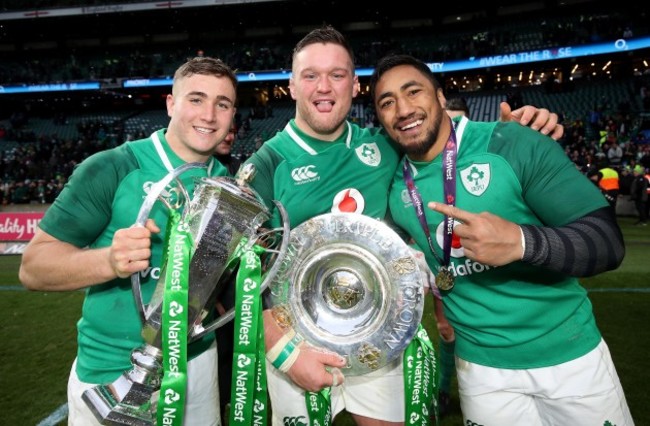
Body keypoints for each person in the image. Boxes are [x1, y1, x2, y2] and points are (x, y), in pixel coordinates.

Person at [245, 25, 566, 426]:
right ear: (291, 85)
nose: (323, 87)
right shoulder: (265, 165)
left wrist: (519, 129)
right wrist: (283, 352)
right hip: (298, 342)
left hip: (377, 339)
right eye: (310, 75)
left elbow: (444, 136)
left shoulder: (385, 147)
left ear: (355, 85)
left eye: (337, 75)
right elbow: (238, 275)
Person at [369, 53, 633, 425]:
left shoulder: (512, 142)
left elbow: (607, 242)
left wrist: (521, 242)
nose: (403, 109)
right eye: (387, 102)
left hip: (570, 359)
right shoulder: (395, 186)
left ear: (441, 98)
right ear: (380, 118)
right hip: (481, 372)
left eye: (414, 92)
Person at [18, 56, 239, 426]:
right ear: (171, 103)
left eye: (223, 103)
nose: (210, 115)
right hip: (113, 369)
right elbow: (33, 268)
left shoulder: (228, 186)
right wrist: (108, 262)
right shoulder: (112, 167)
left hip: (197, 363)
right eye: (196, 99)